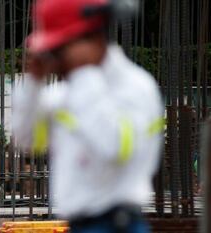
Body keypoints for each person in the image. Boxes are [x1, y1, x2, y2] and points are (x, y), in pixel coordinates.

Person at [13, 0, 164, 232]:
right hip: (79, 225)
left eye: (57, 50)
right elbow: (26, 139)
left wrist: (84, 74)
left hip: (118, 224)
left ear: (87, 39)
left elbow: (115, 148)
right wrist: (33, 82)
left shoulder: (135, 87)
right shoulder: (66, 93)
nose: (55, 60)